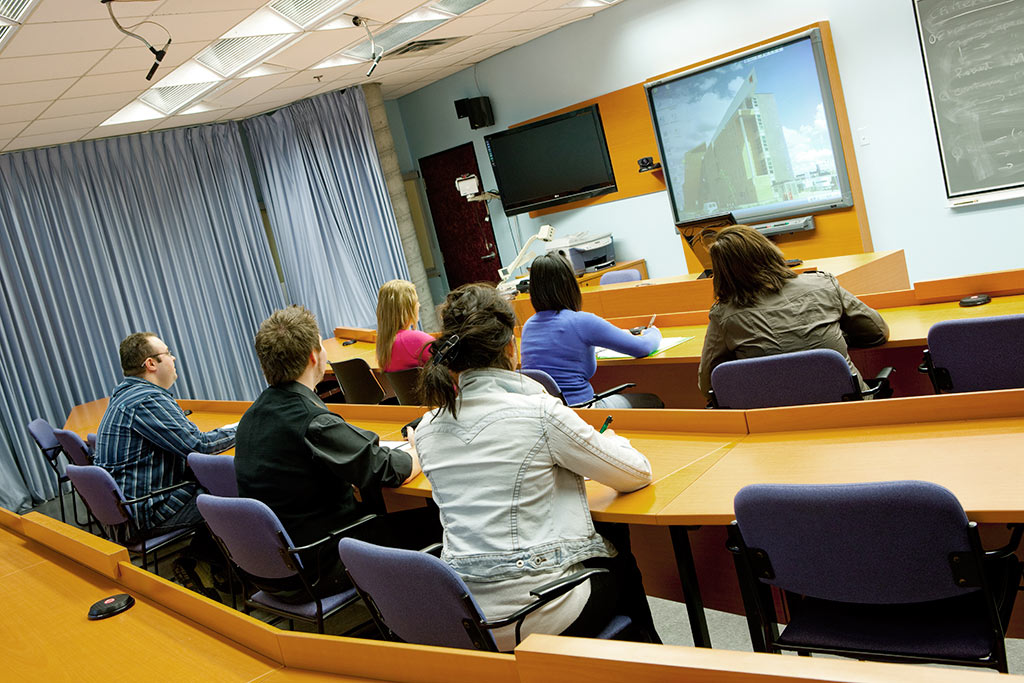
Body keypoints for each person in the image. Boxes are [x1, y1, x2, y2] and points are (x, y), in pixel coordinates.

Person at [413, 283, 661, 651]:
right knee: (620, 558)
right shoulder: (540, 413)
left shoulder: (426, 428)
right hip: (537, 612)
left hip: (470, 616)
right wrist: (615, 442)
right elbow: (637, 473)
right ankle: (647, 663)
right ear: (512, 346)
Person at [235, 305, 436, 601]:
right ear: (314, 356)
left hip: (277, 566)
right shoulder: (312, 421)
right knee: (436, 521)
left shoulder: (251, 417)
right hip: (322, 563)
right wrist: (419, 450)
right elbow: (394, 470)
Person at [94, 332, 235, 595]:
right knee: (231, 493)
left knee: (213, 480)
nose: (173, 358)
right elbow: (199, 446)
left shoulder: (128, 395)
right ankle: (201, 562)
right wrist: (243, 427)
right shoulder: (146, 400)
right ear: (151, 364)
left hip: (125, 511)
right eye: (168, 353)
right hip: (145, 512)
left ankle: (217, 565)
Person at [697, 225, 890, 399]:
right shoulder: (823, 285)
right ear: (769, 251)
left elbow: (708, 386)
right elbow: (877, 332)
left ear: (722, 272)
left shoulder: (724, 315)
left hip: (774, 422)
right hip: (850, 411)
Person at [520, 253, 664, 408]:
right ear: (570, 285)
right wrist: (653, 332)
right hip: (584, 412)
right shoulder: (581, 322)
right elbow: (642, 348)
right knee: (652, 400)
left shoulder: (528, 326)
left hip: (547, 415)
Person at [376, 279, 433, 372]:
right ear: (407, 309)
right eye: (416, 301)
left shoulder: (383, 346)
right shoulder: (416, 339)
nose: (419, 305)